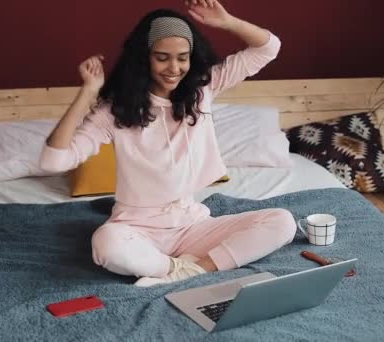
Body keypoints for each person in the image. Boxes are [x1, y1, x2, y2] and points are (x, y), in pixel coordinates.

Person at [40, 0, 296, 287]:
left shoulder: (203, 90)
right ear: (144, 58)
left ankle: (193, 270)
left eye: (182, 57)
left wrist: (227, 23)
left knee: (282, 221)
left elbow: (268, 47)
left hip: (192, 227)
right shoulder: (114, 111)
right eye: (162, 57)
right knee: (105, 244)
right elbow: (53, 161)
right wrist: (87, 93)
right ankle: (177, 267)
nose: (174, 68)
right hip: (136, 230)